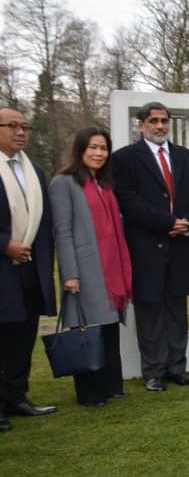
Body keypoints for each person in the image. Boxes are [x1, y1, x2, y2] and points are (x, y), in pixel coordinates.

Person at [112, 101, 189, 392]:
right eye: (153, 121)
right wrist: (167, 222)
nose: (160, 126)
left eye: (164, 120)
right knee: (150, 312)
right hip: (146, 246)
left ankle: (177, 368)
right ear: (140, 125)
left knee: (177, 310)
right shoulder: (126, 159)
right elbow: (128, 200)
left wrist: (187, 222)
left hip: (180, 244)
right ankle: (154, 372)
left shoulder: (185, 157)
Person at [49, 127, 133, 407]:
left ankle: (111, 385)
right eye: (93, 148)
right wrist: (70, 274)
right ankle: (89, 392)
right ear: (81, 150)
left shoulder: (104, 184)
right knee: (86, 327)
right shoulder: (64, 183)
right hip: (85, 270)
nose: (99, 153)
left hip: (110, 269)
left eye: (103, 148)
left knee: (108, 327)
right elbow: (62, 231)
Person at [0, 107, 57, 432]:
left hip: (30, 269)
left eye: (25, 126)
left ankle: (16, 396)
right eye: (12, 126)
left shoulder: (32, 169)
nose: (20, 132)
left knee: (23, 336)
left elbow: (44, 220)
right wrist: (4, 244)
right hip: (3, 265)